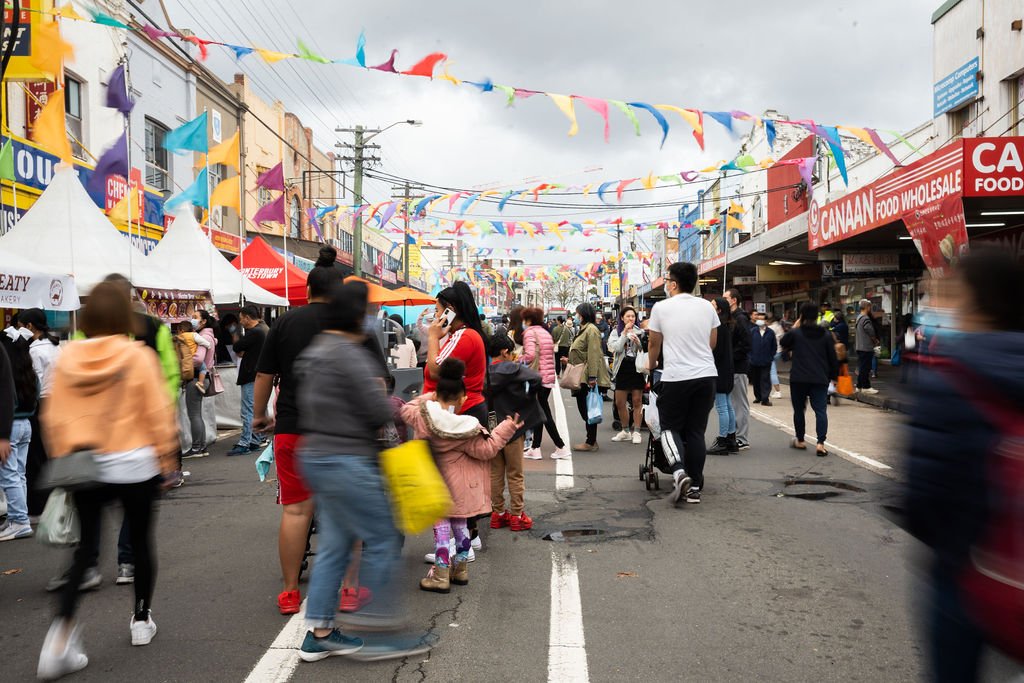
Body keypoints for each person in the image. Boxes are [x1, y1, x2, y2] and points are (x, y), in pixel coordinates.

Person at [36, 282, 177, 680]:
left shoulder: (67, 357)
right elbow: (157, 410)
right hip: (135, 462)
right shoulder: (137, 356)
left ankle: (59, 639)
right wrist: (167, 457)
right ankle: (140, 619)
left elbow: (54, 414)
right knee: (140, 539)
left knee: (84, 552)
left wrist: (64, 454)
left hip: (86, 463)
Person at [905, 249, 1024, 683]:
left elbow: (923, 495)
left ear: (974, 301)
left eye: (950, 293)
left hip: (968, 566)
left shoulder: (952, 377)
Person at [253, 263, 343, 615]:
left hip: (292, 428)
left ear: (307, 291)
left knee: (295, 510)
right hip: (340, 432)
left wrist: (260, 416)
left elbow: (264, 374)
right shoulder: (348, 324)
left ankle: (290, 592)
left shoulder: (285, 322)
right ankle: (348, 589)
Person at [403, 358, 521, 595]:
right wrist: (506, 428)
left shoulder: (423, 417)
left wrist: (430, 396)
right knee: (460, 527)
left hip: (435, 484)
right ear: (463, 399)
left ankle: (440, 574)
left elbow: (406, 409)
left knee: (441, 529)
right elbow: (488, 450)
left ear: (437, 394)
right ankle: (461, 569)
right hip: (461, 488)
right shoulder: (468, 427)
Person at [647, 262, 719, 505]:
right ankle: (695, 486)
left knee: (669, 427)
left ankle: (678, 471)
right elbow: (712, 342)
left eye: (667, 280)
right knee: (696, 431)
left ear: (674, 284)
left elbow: (653, 344)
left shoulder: (661, 308)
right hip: (706, 375)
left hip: (676, 376)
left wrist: (651, 364)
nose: (666, 284)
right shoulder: (707, 308)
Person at [485, 334, 543, 532]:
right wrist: (525, 398)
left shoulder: (484, 371)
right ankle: (517, 515)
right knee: (515, 474)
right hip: (513, 427)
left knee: (495, 473)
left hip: (492, 430)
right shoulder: (511, 368)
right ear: (505, 352)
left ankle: (498, 513)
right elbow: (536, 378)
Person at [780, 303, 838, 457]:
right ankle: (820, 443)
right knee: (820, 411)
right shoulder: (826, 335)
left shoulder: (797, 333)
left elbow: (783, 342)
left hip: (799, 378)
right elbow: (833, 358)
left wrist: (796, 324)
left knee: (799, 410)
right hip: (819, 378)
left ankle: (800, 440)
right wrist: (834, 377)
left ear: (802, 316)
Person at [19, 308, 61, 518]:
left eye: (21, 325)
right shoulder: (56, 346)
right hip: (59, 403)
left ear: (29, 326)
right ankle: (55, 502)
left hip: (41, 405)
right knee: (51, 453)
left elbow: (34, 382)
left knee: (36, 457)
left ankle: (38, 505)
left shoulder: (34, 350)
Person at [519, 307, 569, 460]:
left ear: (528, 320)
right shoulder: (545, 332)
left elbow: (530, 355)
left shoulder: (530, 333)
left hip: (536, 377)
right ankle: (535, 447)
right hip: (546, 376)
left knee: (543, 412)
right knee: (539, 411)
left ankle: (560, 446)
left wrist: (517, 359)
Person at [0, 330, 32, 541]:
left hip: (9, 427)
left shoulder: (6, 368)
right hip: (25, 423)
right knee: (18, 474)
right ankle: (18, 517)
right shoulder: (27, 369)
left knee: (9, 475)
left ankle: (19, 519)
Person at [566, 303, 610, 452]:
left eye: (577, 314)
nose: (576, 317)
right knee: (584, 408)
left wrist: (592, 376)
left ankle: (590, 441)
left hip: (586, 376)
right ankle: (591, 440)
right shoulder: (584, 329)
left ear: (582, 315)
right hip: (580, 374)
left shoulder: (591, 330)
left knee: (587, 408)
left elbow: (593, 355)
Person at [228, 305, 269, 456]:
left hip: (251, 374)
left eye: (241, 319)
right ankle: (256, 439)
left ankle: (245, 442)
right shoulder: (264, 328)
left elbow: (237, 347)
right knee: (257, 408)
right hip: (259, 374)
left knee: (248, 410)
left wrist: (234, 333)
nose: (240, 322)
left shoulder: (256, 332)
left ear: (246, 317)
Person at [607, 306, 647, 445]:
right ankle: (625, 431)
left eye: (633, 316)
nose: (631, 319)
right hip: (622, 368)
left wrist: (638, 343)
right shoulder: (615, 332)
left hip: (636, 367)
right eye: (628, 316)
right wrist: (624, 334)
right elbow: (616, 348)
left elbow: (645, 350)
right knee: (620, 402)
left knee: (637, 401)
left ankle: (636, 431)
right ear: (622, 318)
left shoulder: (640, 332)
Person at [184, 310, 218, 457]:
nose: (192, 320)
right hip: (203, 377)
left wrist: (184, 363)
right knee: (197, 413)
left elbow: (198, 360)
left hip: (197, 377)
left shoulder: (202, 337)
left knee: (194, 414)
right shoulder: (208, 336)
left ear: (204, 321)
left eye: (195, 318)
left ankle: (197, 447)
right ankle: (201, 446)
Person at [706, 298, 737, 457]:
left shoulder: (718, 328)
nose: (709, 307)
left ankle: (722, 439)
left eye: (712, 306)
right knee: (727, 405)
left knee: (722, 407)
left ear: (719, 311)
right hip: (727, 370)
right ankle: (731, 437)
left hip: (719, 371)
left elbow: (714, 351)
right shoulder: (727, 326)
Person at [723, 289, 752, 450]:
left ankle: (742, 438)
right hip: (732, 366)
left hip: (738, 367)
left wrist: (731, 357)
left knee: (739, 403)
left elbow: (746, 344)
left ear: (733, 300)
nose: (723, 300)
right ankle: (734, 435)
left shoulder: (740, 319)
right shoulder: (732, 318)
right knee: (732, 403)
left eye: (726, 298)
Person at [173, 321, 212, 396]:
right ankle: (200, 382)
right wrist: (209, 346)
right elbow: (204, 342)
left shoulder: (178, 337)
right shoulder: (193, 335)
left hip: (184, 359)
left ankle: (183, 385)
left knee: (184, 372)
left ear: (181, 330)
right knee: (203, 368)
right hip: (193, 357)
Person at [748, 311, 778, 406]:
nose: (760, 321)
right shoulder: (752, 331)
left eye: (762, 319)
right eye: (758, 319)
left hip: (766, 360)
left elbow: (774, 346)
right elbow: (748, 345)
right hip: (754, 360)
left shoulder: (770, 332)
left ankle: (765, 399)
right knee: (756, 380)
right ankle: (758, 397)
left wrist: (770, 356)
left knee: (765, 379)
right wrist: (750, 357)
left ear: (766, 321)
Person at [854, 299, 879, 395]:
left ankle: (859, 386)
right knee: (866, 368)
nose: (870, 309)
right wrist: (875, 340)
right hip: (866, 347)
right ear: (867, 307)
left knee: (862, 367)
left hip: (859, 346)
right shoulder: (865, 319)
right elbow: (870, 331)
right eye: (869, 307)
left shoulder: (859, 317)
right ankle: (866, 386)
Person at [767, 313, 785, 399]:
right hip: (779, 351)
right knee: (771, 370)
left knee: (772, 371)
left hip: (772, 352)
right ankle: (772, 390)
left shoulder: (770, 329)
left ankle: (778, 391)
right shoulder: (779, 327)